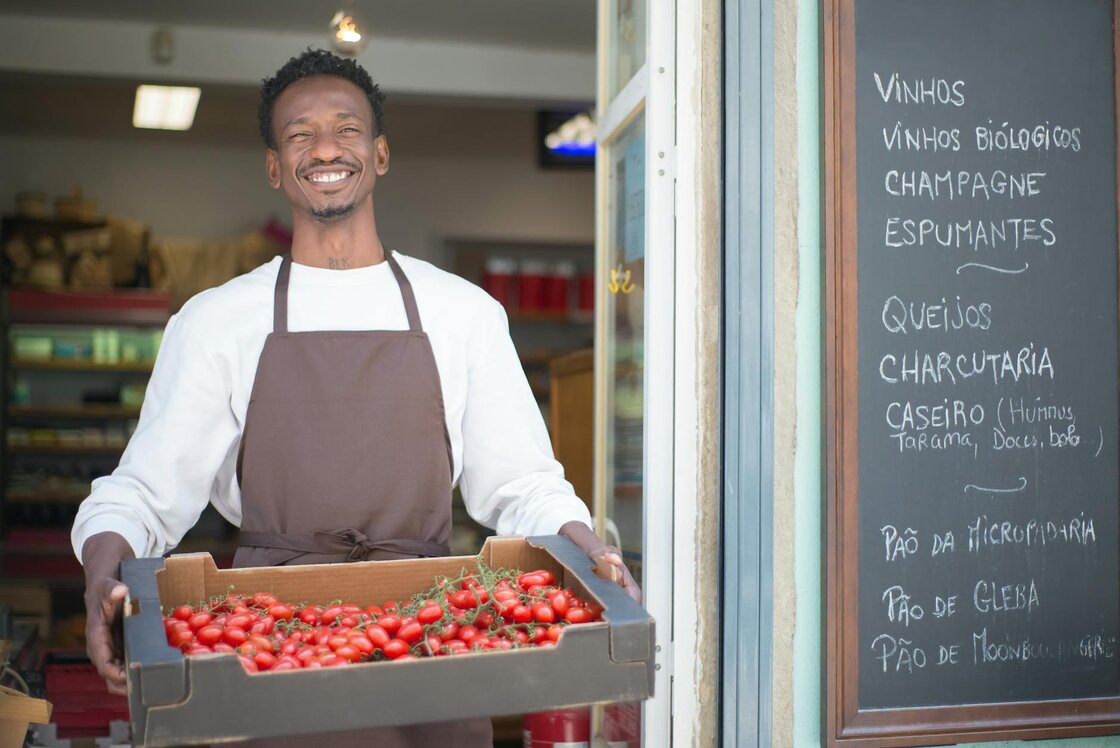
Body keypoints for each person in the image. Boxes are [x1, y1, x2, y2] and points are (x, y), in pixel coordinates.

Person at [73, 49, 639, 746]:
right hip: (269, 648)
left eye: (345, 128)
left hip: (435, 636)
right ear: (276, 166)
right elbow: (142, 493)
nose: (325, 148)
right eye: (299, 134)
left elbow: (523, 485)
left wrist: (589, 555)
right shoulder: (216, 320)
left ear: (380, 153)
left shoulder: (462, 312)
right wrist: (105, 577)